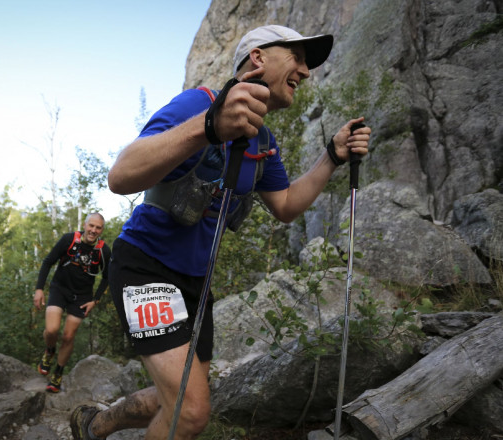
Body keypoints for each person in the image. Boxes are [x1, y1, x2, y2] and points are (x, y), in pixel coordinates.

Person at [69, 24, 371, 439]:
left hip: (197, 281)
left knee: (173, 396)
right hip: (146, 268)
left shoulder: (262, 140)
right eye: (298, 57)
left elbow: (285, 206)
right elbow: (121, 176)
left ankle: (94, 424)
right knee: (190, 413)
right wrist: (209, 126)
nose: (306, 70)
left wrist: (332, 157)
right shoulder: (199, 102)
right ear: (259, 57)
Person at [33, 212, 111, 393]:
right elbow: (47, 262)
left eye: (98, 227)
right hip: (59, 289)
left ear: (101, 230)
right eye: (91, 225)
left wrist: (95, 300)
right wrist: (39, 289)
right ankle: (49, 350)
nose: (93, 230)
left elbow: (108, 277)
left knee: (68, 336)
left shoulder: (103, 251)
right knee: (52, 330)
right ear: (85, 225)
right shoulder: (69, 240)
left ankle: (58, 373)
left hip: (82, 297)